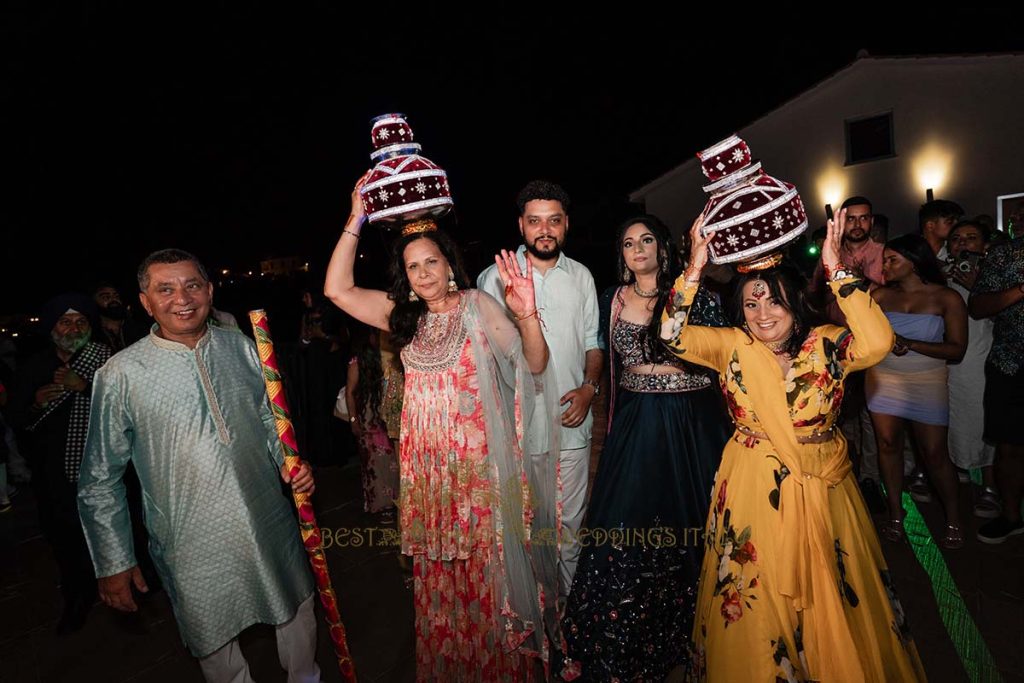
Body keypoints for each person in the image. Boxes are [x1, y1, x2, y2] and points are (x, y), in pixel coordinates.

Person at [660, 209, 925, 681]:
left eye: (773, 302)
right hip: (754, 482)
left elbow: (880, 341)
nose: (763, 315)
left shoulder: (827, 343)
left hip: (824, 481)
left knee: (835, 586)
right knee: (760, 589)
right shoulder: (731, 347)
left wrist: (838, 270)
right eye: (750, 305)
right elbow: (670, 336)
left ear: (794, 301)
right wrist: (694, 269)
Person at [324, 175, 561, 680]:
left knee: (488, 578)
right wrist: (356, 217)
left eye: (432, 261)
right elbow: (336, 290)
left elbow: (534, 366)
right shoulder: (402, 317)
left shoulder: (479, 307)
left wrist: (529, 316)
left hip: (479, 479)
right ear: (403, 275)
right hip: (431, 483)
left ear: (450, 263)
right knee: (443, 584)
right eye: (413, 266)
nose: (424, 273)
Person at [77, 249, 320, 683]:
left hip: (267, 515)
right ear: (146, 302)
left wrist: (290, 462)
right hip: (190, 538)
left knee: (297, 609)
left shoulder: (243, 347)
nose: (182, 298)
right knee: (214, 639)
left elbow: (270, 419)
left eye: (192, 285)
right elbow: (99, 478)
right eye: (165, 289)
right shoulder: (120, 374)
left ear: (209, 291)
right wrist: (113, 560)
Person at [560, 215, 730, 681]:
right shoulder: (611, 301)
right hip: (637, 422)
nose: (638, 249)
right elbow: (599, 356)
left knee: (697, 518)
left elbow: (726, 364)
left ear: (662, 248)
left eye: (647, 240)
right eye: (629, 242)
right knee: (627, 520)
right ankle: (625, 636)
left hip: (692, 423)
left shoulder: (700, 297)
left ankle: (705, 634)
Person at [477, 180, 601, 602]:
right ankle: (530, 618)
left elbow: (593, 344)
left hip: (571, 426)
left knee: (569, 527)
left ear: (566, 225)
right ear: (521, 225)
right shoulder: (492, 279)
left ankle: (567, 615)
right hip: (517, 431)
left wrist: (589, 388)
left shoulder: (581, 277)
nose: (544, 230)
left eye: (553, 221)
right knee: (526, 528)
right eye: (535, 221)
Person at [9, 293, 111, 633]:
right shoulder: (33, 367)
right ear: (52, 327)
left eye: (81, 321)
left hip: (104, 469)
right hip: (54, 475)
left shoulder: (106, 361)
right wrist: (37, 403)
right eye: (65, 321)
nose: (73, 328)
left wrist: (84, 387)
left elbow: (126, 411)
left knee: (111, 534)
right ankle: (77, 598)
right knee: (66, 539)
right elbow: (16, 420)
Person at [866, 235, 966, 548]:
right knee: (887, 444)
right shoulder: (879, 296)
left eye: (892, 259)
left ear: (915, 261)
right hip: (883, 379)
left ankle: (953, 516)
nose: (884, 265)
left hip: (927, 381)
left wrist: (912, 344)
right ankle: (895, 513)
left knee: (935, 454)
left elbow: (957, 349)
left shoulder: (946, 298)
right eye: (884, 259)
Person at [970, 228, 1024, 543]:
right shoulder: (1006, 254)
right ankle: (1012, 515)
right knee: (1009, 446)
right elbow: (977, 307)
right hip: (1010, 365)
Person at [945, 220, 998, 517]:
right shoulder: (940, 274)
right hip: (948, 361)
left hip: (981, 357)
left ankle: (989, 485)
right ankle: (959, 472)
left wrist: (976, 285)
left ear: (985, 245)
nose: (963, 244)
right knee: (952, 418)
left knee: (981, 418)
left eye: (971, 238)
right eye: (956, 239)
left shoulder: (996, 275)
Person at [344, 324, 399, 515]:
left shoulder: (386, 358)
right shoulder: (356, 362)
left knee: (390, 462)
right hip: (368, 418)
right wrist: (353, 420)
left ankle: (392, 504)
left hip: (383, 415)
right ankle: (381, 506)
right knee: (374, 463)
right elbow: (350, 393)